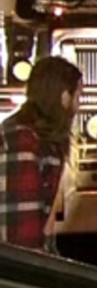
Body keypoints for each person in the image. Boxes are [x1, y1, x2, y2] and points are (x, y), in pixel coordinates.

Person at [0, 56, 82, 253]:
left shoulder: (40, 141)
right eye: (78, 97)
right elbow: (21, 240)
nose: (79, 106)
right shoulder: (23, 143)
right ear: (64, 98)